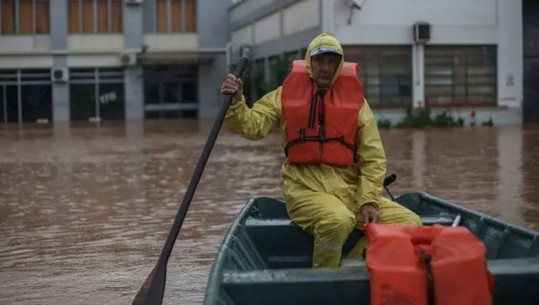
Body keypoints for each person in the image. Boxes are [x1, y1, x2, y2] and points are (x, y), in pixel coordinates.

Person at [220, 33, 421, 268]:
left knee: (410, 222)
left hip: (349, 190)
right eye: (320, 61)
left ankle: (354, 263)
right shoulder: (284, 95)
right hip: (304, 189)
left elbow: (373, 158)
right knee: (337, 219)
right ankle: (323, 278)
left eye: (331, 62)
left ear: (339, 64)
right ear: (309, 63)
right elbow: (252, 126)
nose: (325, 68)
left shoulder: (357, 104)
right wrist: (236, 103)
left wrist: (369, 201)